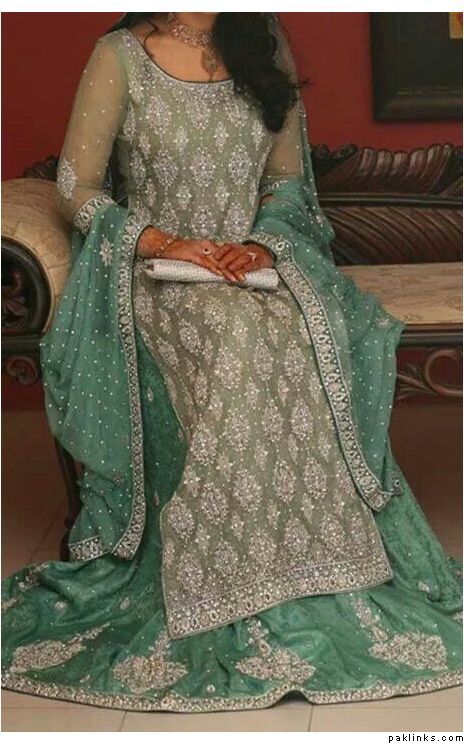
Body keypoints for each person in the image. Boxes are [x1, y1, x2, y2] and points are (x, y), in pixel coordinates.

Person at [2, 12, 462, 712]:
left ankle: (316, 569)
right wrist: (166, 242)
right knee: (235, 340)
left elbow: (287, 183)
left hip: (252, 269)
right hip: (158, 274)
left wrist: (262, 244)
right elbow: (77, 186)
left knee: (296, 334)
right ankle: (225, 580)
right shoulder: (120, 56)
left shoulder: (262, 45)